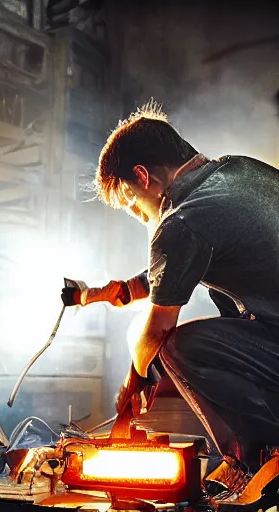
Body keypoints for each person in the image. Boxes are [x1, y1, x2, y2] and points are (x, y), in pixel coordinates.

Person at [61, 101, 279, 492]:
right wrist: (125, 291)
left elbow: (159, 328)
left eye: (132, 204)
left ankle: (259, 462)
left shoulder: (182, 220)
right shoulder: (240, 170)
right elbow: (191, 254)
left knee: (178, 347)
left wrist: (134, 381)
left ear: (142, 176)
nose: (141, 216)